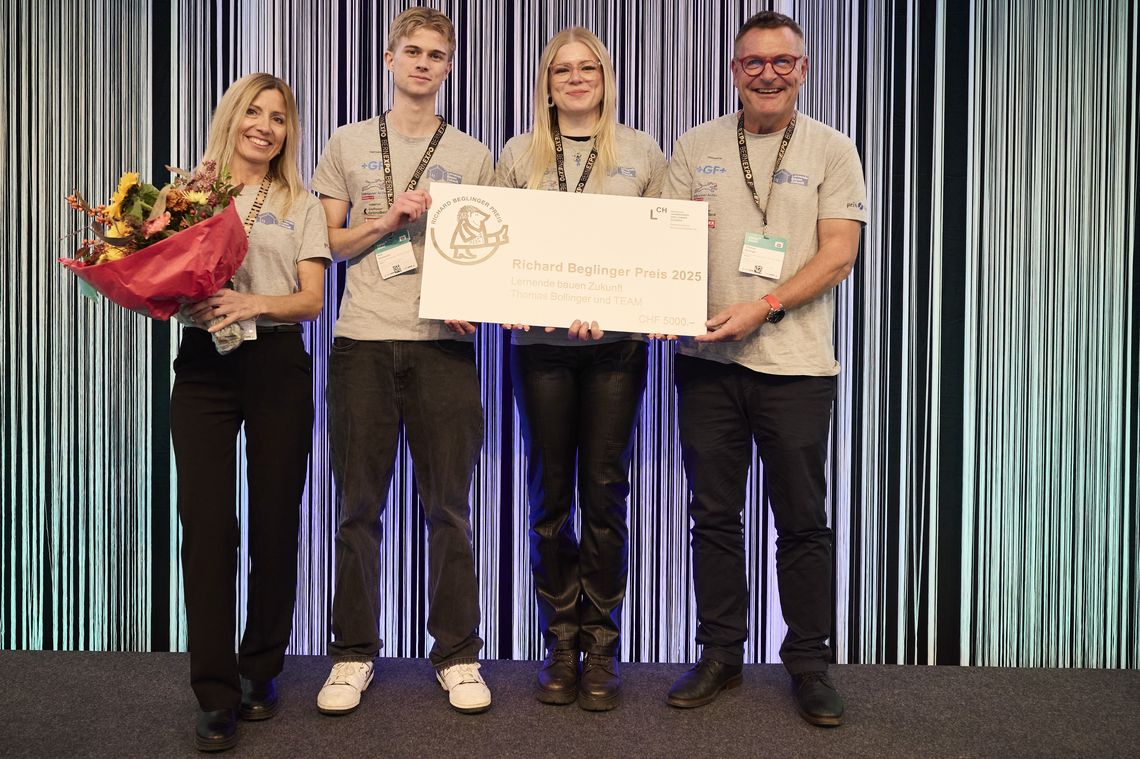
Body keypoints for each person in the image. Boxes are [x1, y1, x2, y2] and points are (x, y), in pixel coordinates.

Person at [661, 11, 866, 727]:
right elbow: (664, 243)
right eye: (754, 63)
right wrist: (654, 301)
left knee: (803, 520)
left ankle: (809, 662)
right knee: (713, 516)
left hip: (798, 366)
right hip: (707, 363)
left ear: (803, 69)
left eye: (783, 62)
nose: (769, 74)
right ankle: (720, 652)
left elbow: (839, 252)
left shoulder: (834, 149)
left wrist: (765, 305)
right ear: (734, 69)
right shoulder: (694, 145)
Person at [311, 7, 495, 716]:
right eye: (411, 51)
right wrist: (387, 220)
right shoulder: (348, 143)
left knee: (449, 508)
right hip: (362, 340)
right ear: (389, 60)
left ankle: (457, 654)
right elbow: (332, 243)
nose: (423, 63)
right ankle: (353, 652)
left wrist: (474, 295)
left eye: (436, 55)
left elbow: (486, 250)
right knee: (358, 507)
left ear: (449, 68)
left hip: (444, 349)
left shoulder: (473, 153)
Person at [495, 27, 667, 712]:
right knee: (549, 498)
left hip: (617, 348)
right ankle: (557, 639)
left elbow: (666, 241)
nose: (574, 78)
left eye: (586, 67)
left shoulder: (642, 152)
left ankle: (601, 642)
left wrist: (662, 292)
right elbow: (496, 250)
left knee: (604, 495)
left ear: (605, 75)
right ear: (547, 80)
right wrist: (501, 301)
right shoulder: (517, 154)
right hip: (541, 351)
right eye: (561, 69)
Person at [172, 72, 331, 752]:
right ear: (233, 117)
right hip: (205, 367)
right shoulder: (185, 194)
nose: (266, 125)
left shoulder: (301, 200)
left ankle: (259, 669)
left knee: (274, 522)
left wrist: (254, 304)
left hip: (276, 363)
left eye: (280, 117)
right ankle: (213, 694)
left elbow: (312, 299)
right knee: (206, 529)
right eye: (255, 112)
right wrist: (176, 299)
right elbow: (161, 281)